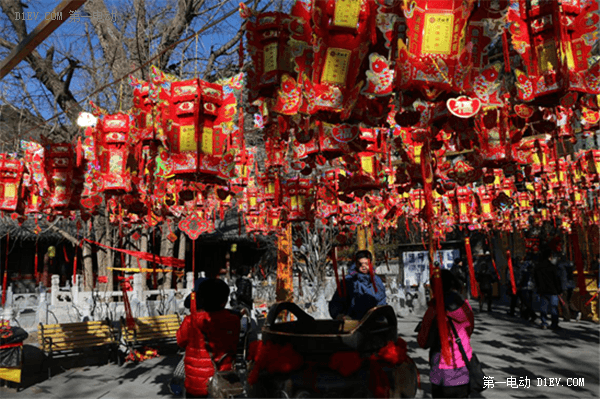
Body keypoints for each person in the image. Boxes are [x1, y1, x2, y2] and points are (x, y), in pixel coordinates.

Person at [176, 278, 241, 398]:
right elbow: (234, 342)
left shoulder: (190, 321)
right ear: (225, 301)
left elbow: (181, 342)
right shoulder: (233, 320)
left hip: (197, 383)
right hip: (222, 379)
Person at [417, 270, 475, 398]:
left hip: (441, 372)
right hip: (463, 367)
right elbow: (470, 329)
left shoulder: (433, 310)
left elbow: (423, 341)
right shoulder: (465, 306)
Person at [328, 250, 387, 320]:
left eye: (366, 264)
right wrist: (338, 315)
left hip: (373, 322)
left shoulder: (377, 281)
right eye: (360, 264)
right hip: (352, 322)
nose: (364, 267)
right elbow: (337, 302)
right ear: (356, 264)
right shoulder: (348, 281)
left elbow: (381, 302)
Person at [534, 246, 563, 330]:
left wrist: (538, 287)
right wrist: (559, 290)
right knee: (554, 307)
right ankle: (554, 323)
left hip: (542, 290)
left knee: (543, 307)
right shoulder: (552, 267)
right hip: (553, 290)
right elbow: (557, 279)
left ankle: (544, 322)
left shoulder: (538, 267)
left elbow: (536, 279)